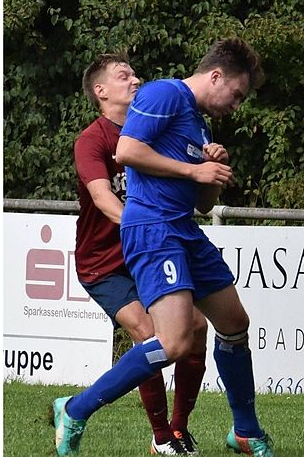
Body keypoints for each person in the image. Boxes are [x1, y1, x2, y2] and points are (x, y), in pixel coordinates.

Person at [53, 38, 275, 457]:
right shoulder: (163, 93)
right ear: (216, 76)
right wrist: (195, 168)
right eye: (237, 94)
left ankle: (245, 430)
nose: (237, 105)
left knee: (233, 323)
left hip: (183, 228)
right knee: (171, 342)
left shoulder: (198, 122)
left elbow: (202, 203)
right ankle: (76, 409)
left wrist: (209, 173)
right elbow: (127, 150)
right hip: (154, 228)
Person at [73, 53, 209, 455]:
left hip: (151, 250)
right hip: (105, 263)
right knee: (150, 335)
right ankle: (160, 437)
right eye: (123, 76)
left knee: (197, 330)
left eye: (134, 74)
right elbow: (102, 198)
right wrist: (144, 226)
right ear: (101, 92)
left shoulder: (154, 127)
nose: (136, 80)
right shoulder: (92, 140)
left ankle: (179, 429)